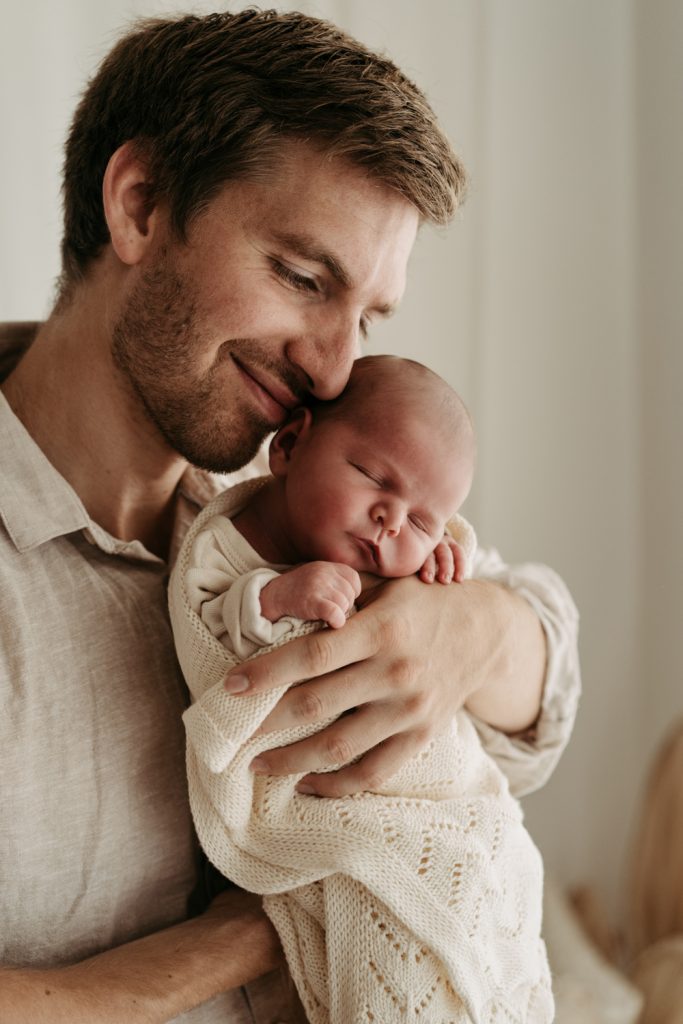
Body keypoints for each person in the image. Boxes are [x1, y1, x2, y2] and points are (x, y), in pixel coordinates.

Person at [0, 9, 580, 1024]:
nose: (331, 366)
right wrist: (255, 932)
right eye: (302, 278)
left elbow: (545, 693)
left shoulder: (288, 518)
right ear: (139, 206)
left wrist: (466, 629)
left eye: (363, 317)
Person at [169, 354, 554, 1023]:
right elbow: (205, 612)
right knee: (396, 920)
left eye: (423, 520)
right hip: (327, 802)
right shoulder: (232, 541)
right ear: (288, 446)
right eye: (374, 478)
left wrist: (445, 583)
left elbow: (543, 621)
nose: (390, 521)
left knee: (501, 877)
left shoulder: (413, 553)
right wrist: (271, 598)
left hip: (440, 792)